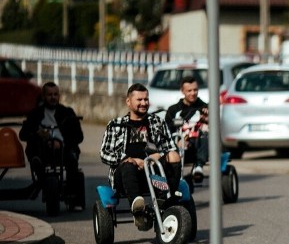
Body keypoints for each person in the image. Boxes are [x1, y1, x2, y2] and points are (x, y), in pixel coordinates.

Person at [100, 83, 181, 230]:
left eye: (146, 99)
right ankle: (138, 210)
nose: (144, 103)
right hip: (126, 175)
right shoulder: (115, 125)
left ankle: (166, 203)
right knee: (127, 165)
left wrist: (158, 155)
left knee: (174, 156)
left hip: (154, 173)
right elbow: (104, 153)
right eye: (139, 100)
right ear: (128, 101)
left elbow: (172, 147)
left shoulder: (158, 122)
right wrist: (126, 159)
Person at [19, 82, 84, 200]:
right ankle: (42, 177)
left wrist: (62, 143)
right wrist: (38, 134)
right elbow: (23, 135)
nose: (53, 97)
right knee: (35, 150)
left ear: (59, 96)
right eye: (49, 95)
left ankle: (71, 192)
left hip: (63, 149)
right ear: (43, 97)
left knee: (72, 159)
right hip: (42, 150)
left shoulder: (67, 113)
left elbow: (79, 136)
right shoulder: (35, 114)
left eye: (55, 94)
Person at [165, 75, 209, 183]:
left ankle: (198, 167)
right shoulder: (173, 110)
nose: (193, 93)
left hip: (200, 144)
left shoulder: (205, 107)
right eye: (189, 90)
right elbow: (167, 131)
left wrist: (208, 119)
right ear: (182, 91)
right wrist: (179, 141)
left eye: (195, 90)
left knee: (204, 135)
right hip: (180, 145)